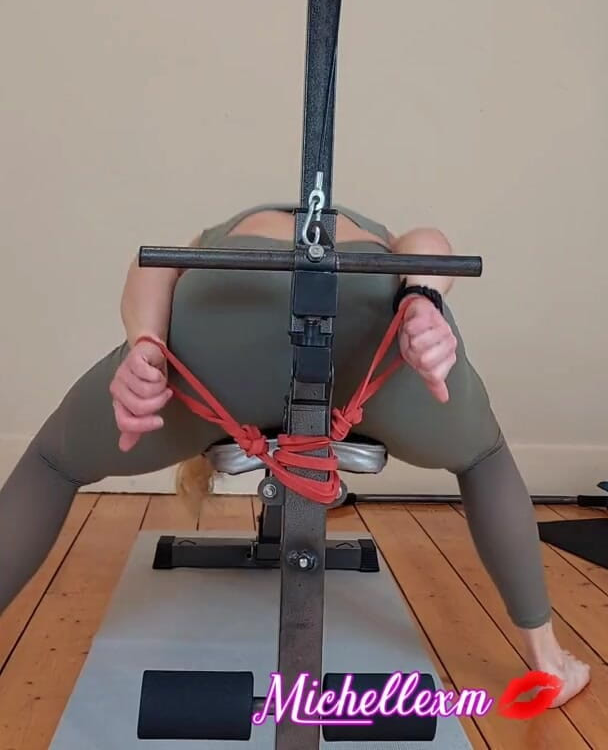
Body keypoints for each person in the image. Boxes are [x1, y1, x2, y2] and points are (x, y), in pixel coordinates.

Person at [0, 203, 589, 705]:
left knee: (55, 461)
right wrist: (421, 296)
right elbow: (427, 241)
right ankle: (547, 660)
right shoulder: (361, 229)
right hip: (371, 325)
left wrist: (147, 346)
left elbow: (153, 263)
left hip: (220, 323)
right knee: (482, 456)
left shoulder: (222, 236)